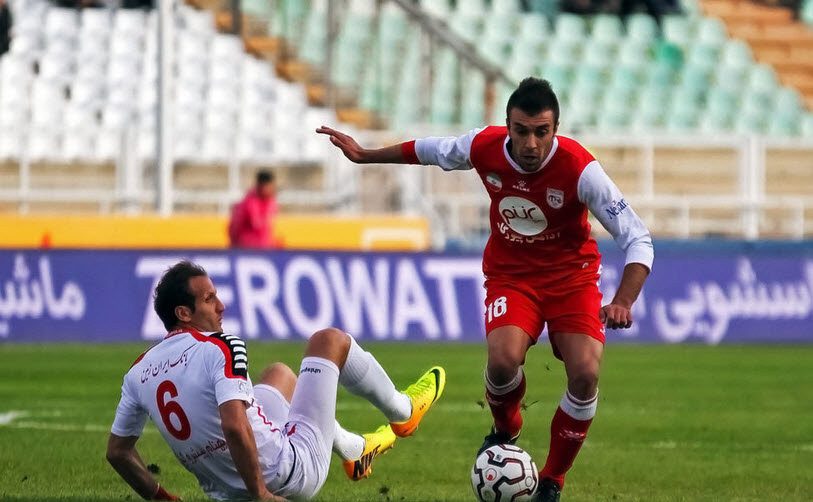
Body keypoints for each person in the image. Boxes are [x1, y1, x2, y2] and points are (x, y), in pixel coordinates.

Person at [317, 77, 653, 502]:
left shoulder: (581, 169)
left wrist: (623, 299)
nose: (531, 143)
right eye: (521, 130)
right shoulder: (483, 146)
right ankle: (506, 428)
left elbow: (638, 238)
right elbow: (430, 151)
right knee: (502, 362)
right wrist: (366, 155)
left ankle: (552, 479)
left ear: (556, 129)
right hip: (512, 275)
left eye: (541, 132)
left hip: (572, 280)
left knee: (585, 373)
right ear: (508, 125)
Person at [106, 261, 445, 501]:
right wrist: (262, 495)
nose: (221, 306)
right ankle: (404, 412)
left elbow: (118, 452)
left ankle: (355, 449)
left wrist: (161, 497)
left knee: (278, 375)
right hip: (289, 474)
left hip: (226, 494)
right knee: (328, 340)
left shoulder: (138, 372)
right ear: (183, 313)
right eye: (209, 299)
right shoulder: (221, 347)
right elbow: (235, 427)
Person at [228, 170, 281, 249]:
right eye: (269, 187)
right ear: (261, 186)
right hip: (248, 251)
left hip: (263, 250)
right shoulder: (249, 204)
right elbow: (235, 228)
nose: (272, 189)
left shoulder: (271, 202)